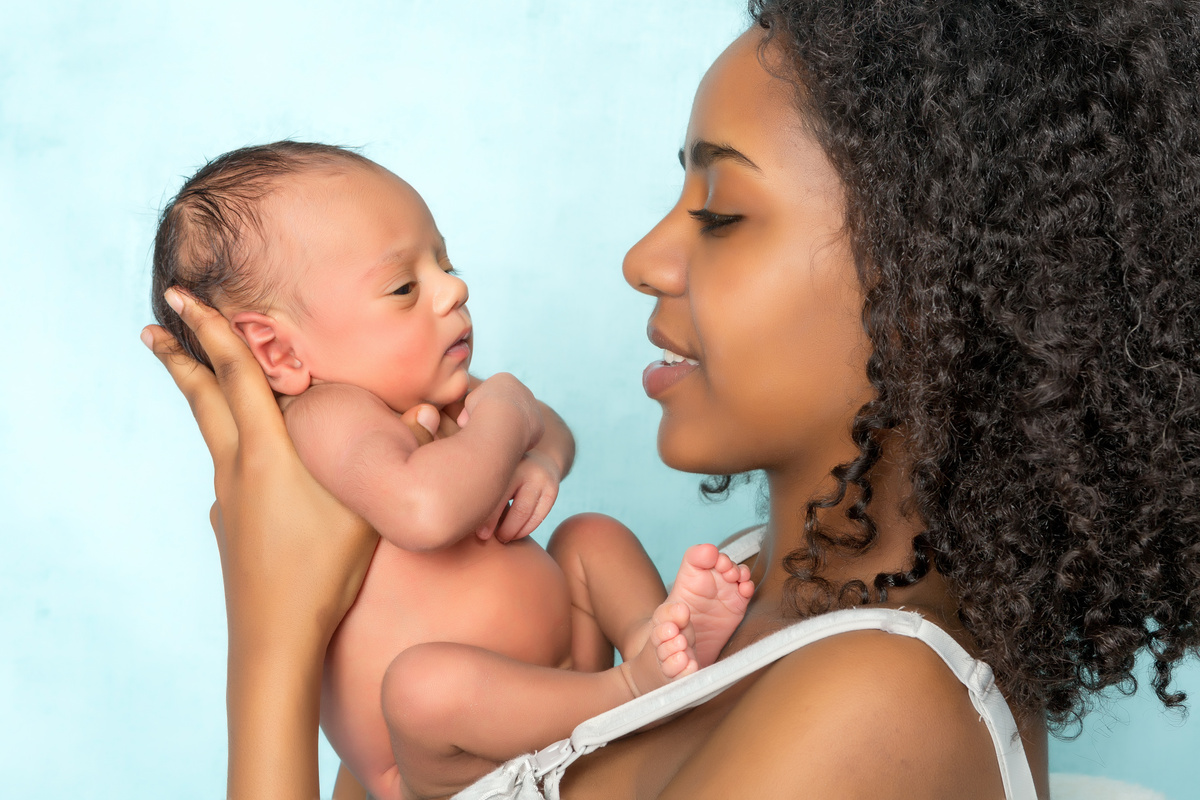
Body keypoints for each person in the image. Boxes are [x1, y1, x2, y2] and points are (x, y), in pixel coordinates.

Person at [143, 0, 1200, 798]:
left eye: (723, 211)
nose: (643, 257)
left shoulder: (872, 704)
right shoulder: (741, 589)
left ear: (944, 282)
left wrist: (275, 640)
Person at [149, 143, 755, 799]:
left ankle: (657, 639)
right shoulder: (328, 418)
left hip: (564, 684)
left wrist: (541, 454)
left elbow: (548, 429)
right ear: (278, 351)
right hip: (443, 761)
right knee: (423, 686)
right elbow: (424, 512)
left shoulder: (438, 393)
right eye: (405, 287)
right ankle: (638, 686)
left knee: (588, 535)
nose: (454, 288)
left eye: (445, 262)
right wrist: (509, 411)